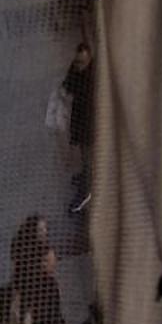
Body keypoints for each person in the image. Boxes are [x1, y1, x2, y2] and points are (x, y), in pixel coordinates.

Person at [65, 40, 95, 214]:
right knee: (84, 156)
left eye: (81, 62)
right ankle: (85, 176)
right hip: (81, 122)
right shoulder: (76, 68)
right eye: (77, 62)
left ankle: (86, 192)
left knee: (88, 158)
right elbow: (68, 84)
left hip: (89, 128)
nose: (78, 65)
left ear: (89, 58)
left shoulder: (93, 81)